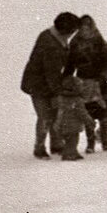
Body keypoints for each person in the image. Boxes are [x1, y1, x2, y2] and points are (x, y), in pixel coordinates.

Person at [21, 12, 81, 159]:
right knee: (45, 116)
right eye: (72, 31)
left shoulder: (53, 36)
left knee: (55, 114)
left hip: (49, 83)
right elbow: (51, 72)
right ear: (66, 30)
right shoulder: (50, 45)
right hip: (38, 85)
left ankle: (56, 145)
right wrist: (60, 92)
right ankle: (39, 148)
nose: (73, 35)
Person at [65, 15, 107, 153]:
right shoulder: (75, 43)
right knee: (88, 112)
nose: (84, 30)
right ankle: (90, 143)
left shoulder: (100, 42)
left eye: (87, 27)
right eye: (82, 27)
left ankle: (105, 139)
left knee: (104, 114)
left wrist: (103, 76)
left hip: (102, 83)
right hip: (83, 82)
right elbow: (70, 64)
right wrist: (67, 78)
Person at [54, 76, 96, 161]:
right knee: (72, 141)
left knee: (68, 140)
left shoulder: (61, 97)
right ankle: (69, 155)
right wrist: (90, 121)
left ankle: (73, 152)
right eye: (80, 86)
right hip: (72, 126)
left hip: (60, 124)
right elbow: (82, 113)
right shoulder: (77, 100)